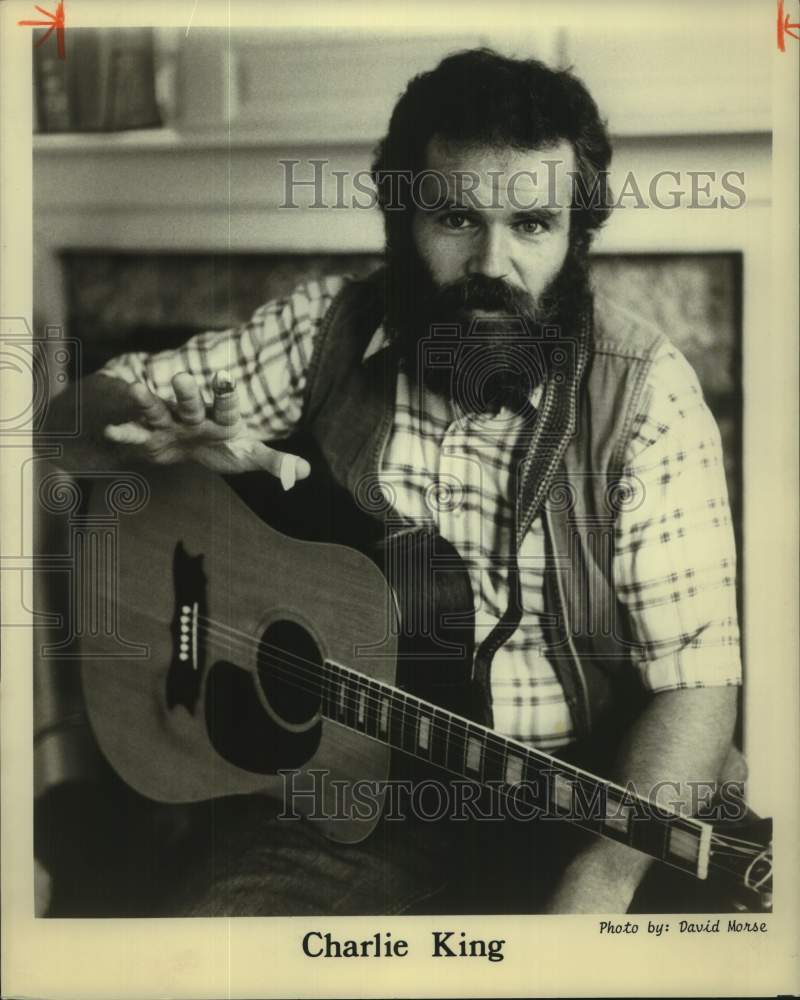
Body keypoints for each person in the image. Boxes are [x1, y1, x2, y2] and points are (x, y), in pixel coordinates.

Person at [46, 48, 743, 915]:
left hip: (583, 805)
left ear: (575, 237)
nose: (493, 264)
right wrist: (148, 437)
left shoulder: (645, 394)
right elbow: (71, 425)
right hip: (341, 808)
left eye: (532, 225)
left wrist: (600, 880)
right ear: (401, 220)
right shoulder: (327, 330)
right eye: (456, 218)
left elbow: (699, 682)